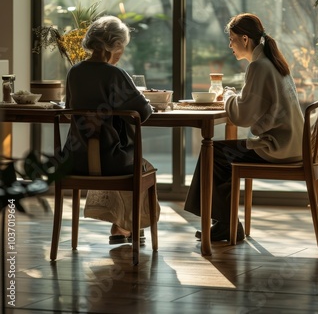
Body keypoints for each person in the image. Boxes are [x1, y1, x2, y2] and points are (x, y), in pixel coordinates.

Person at [184, 12, 304, 242]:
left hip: (278, 148)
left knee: (215, 153)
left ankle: (226, 225)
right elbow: (253, 106)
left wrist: (227, 94)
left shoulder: (259, 66)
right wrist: (234, 96)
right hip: (293, 144)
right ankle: (225, 223)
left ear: (245, 39)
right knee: (220, 153)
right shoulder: (272, 62)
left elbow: (242, 116)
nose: (230, 45)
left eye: (231, 39)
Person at [63, 15, 160, 243]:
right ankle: (129, 228)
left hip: (76, 159)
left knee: (123, 155)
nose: (122, 52)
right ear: (115, 46)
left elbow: (69, 111)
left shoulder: (74, 73)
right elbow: (143, 114)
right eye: (122, 47)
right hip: (111, 161)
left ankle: (121, 228)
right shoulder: (116, 74)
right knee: (140, 165)